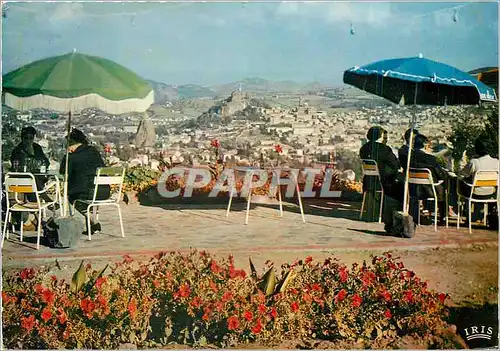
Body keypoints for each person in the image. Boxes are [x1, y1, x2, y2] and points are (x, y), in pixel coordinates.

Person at [60, 129, 110, 234]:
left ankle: (93, 221)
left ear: (72, 143)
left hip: (88, 193)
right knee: (88, 192)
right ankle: (92, 226)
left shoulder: (71, 157)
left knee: (72, 197)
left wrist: (66, 157)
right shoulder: (94, 151)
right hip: (104, 191)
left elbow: (62, 172)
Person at [360, 126, 405, 232]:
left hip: (369, 180)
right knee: (402, 186)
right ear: (381, 136)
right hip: (384, 182)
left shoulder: (364, 148)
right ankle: (395, 216)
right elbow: (396, 165)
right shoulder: (385, 149)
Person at [408, 134, 449, 224]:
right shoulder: (430, 159)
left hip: (412, 190)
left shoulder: (409, 157)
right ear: (425, 144)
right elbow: (440, 175)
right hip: (428, 191)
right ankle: (443, 218)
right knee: (444, 189)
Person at [458, 138, 499, 225]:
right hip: (492, 193)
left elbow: (462, 174)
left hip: (476, 193)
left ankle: (468, 216)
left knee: (463, 183)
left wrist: (462, 163)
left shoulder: (474, 162)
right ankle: (488, 216)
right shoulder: (497, 162)